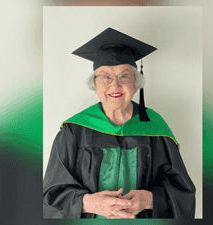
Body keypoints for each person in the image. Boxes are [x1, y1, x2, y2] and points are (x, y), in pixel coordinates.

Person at [43, 27, 196, 219]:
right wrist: (90, 203)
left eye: (124, 76)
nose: (115, 85)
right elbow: (51, 195)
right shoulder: (74, 131)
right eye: (106, 77)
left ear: (136, 83)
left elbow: (182, 192)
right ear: (95, 85)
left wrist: (149, 199)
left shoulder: (156, 130)